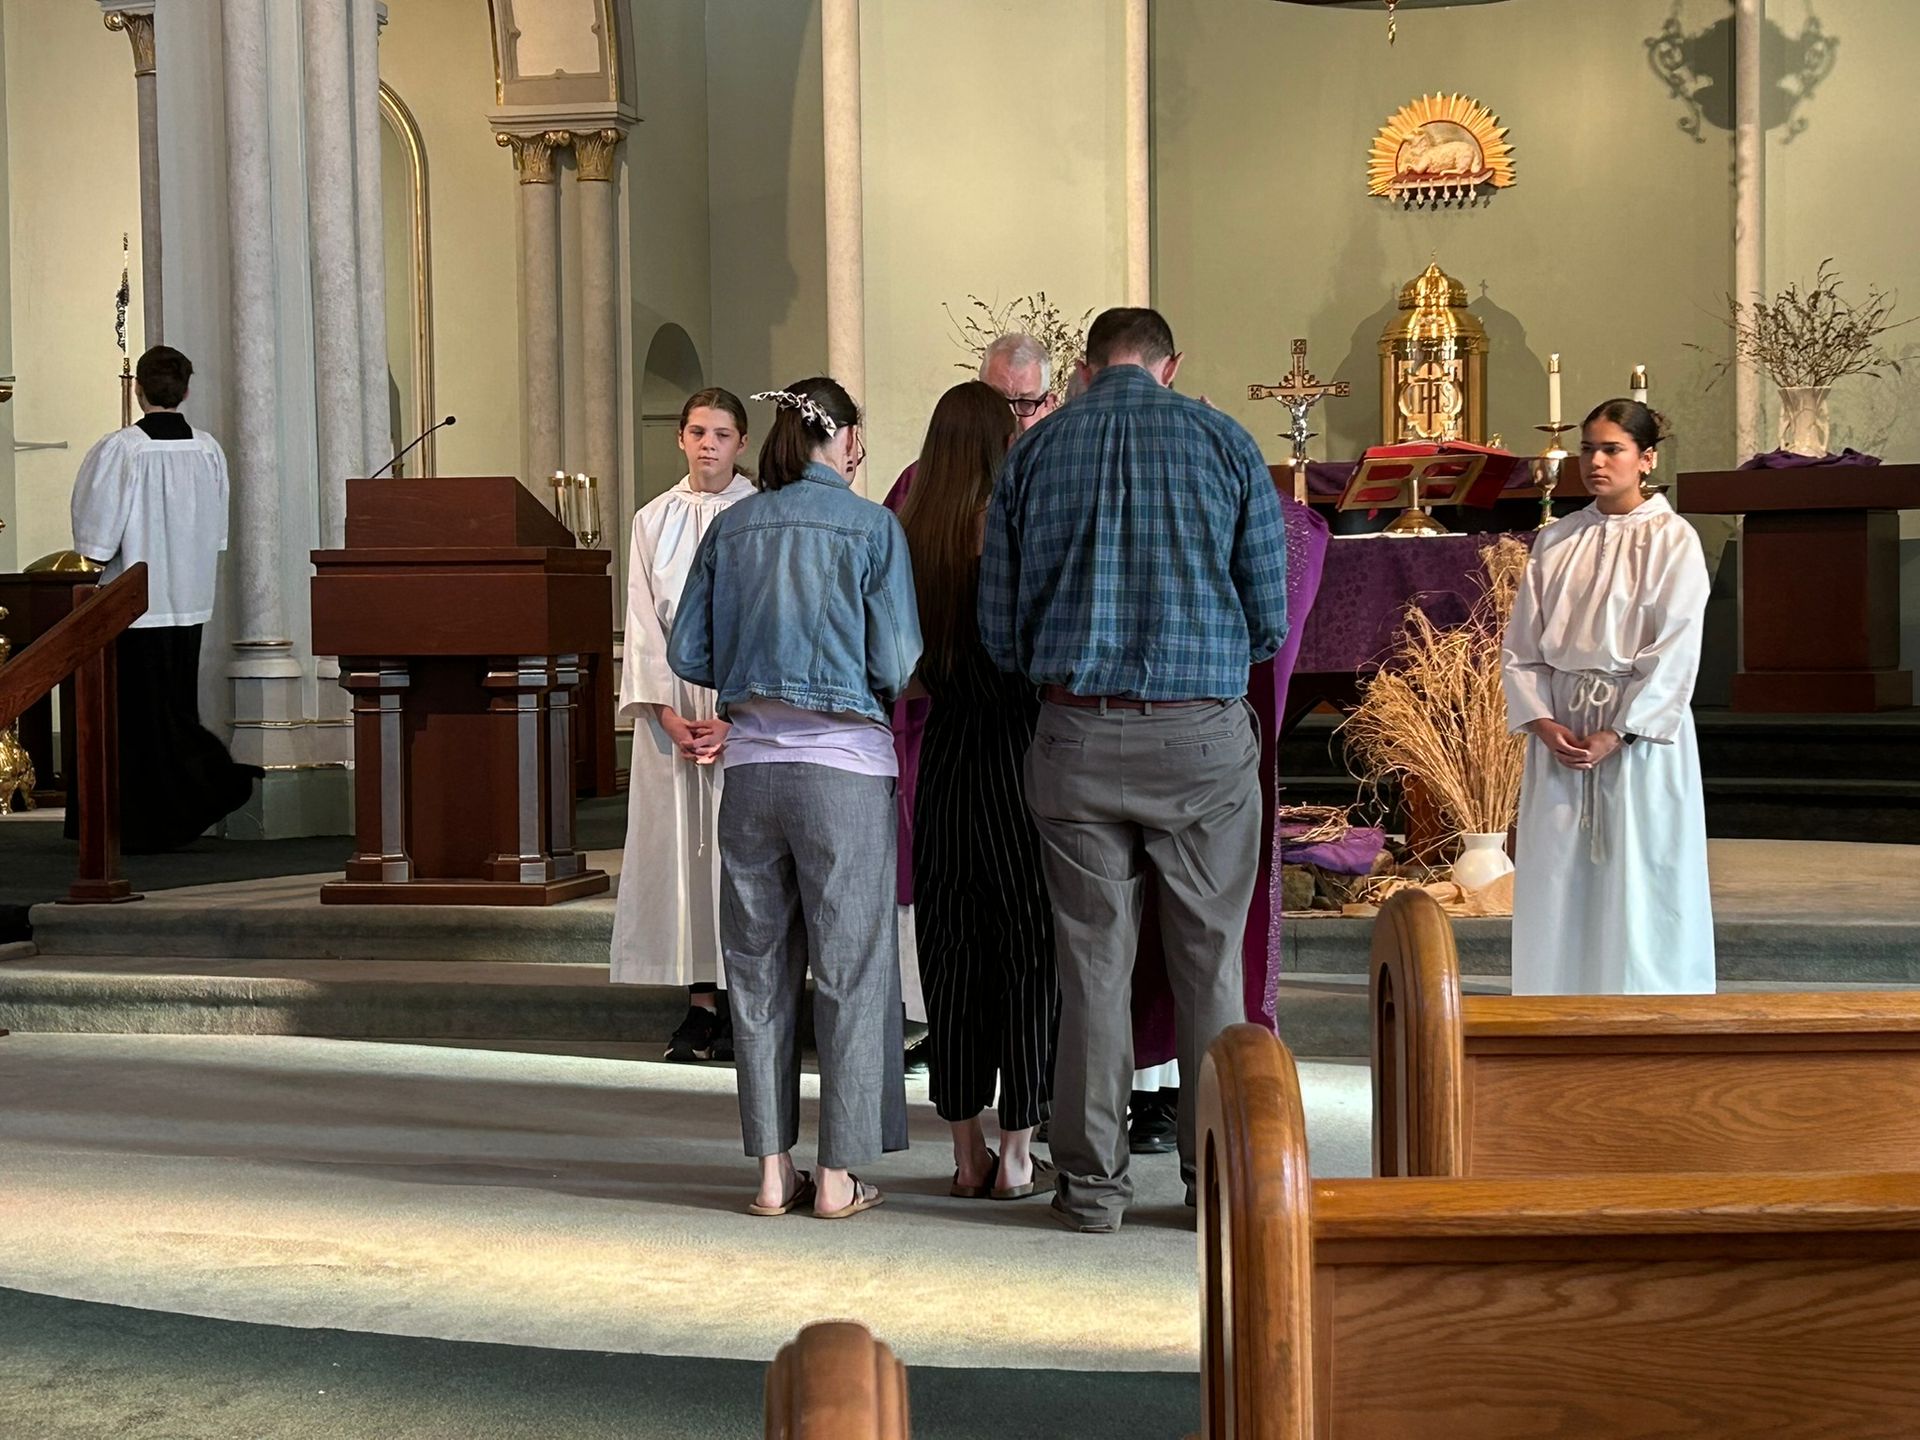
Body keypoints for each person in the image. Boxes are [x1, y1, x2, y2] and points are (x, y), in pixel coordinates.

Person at [980, 307, 1290, 1233]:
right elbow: (1268, 617)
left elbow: (999, 626)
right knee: (1210, 967)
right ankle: (1215, 1184)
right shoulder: (1225, 443)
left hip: (1075, 732)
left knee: (1090, 969)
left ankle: (1092, 1191)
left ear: (1083, 368)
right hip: (1199, 742)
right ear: (1170, 364)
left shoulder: (1035, 451)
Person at [668, 376, 921, 1220]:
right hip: (845, 770)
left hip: (750, 774)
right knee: (849, 970)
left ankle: (774, 1172)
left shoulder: (733, 525)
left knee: (756, 972)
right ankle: (838, 1176)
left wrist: (757, 668)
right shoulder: (871, 526)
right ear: (841, 437)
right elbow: (897, 661)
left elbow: (689, 652)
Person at [897, 381, 1057, 1203]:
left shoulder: (908, 531)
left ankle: (965, 1154)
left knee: (951, 952)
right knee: (1029, 947)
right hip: (1016, 748)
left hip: (946, 752)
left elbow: (900, 669)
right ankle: (1019, 1153)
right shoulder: (1012, 525)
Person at [1502, 399, 1714, 994]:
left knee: (1640, 870)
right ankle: (1554, 1001)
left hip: (1635, 730)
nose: (1596, 462)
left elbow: (1676, 647)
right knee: (1559, 872)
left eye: (1612, 449)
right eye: (1588, 449)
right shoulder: (1558, 539)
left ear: (1646, 459)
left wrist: (1619, 732)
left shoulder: (1673, 540)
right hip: (1563, 726)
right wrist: (1541, 721)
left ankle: (1646, 1007)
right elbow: (1522, 648)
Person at [66, 345, 261, 852]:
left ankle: (145, 818)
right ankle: (179, 809)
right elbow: (216, 531)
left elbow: (95, 541)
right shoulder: (207, 450)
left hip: (131, 604)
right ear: (186, 390)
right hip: (189, 597)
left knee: (136, 717)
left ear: (138, 389)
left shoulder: (123, 449)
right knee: (174, 705)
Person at [611, 388, 756, 1061]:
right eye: (697, 432)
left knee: (741, 856)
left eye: (721, 434)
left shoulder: (761, 513)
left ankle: (749, 1002)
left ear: (742, 443)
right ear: (680, 438)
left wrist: (733, 713)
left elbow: (768, 617)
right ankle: (700, 1004)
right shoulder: (652, 519)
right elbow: (643, 621)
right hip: (672, 710)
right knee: (686, 857)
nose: (708, 445)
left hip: (744, 710)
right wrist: (667, 712)